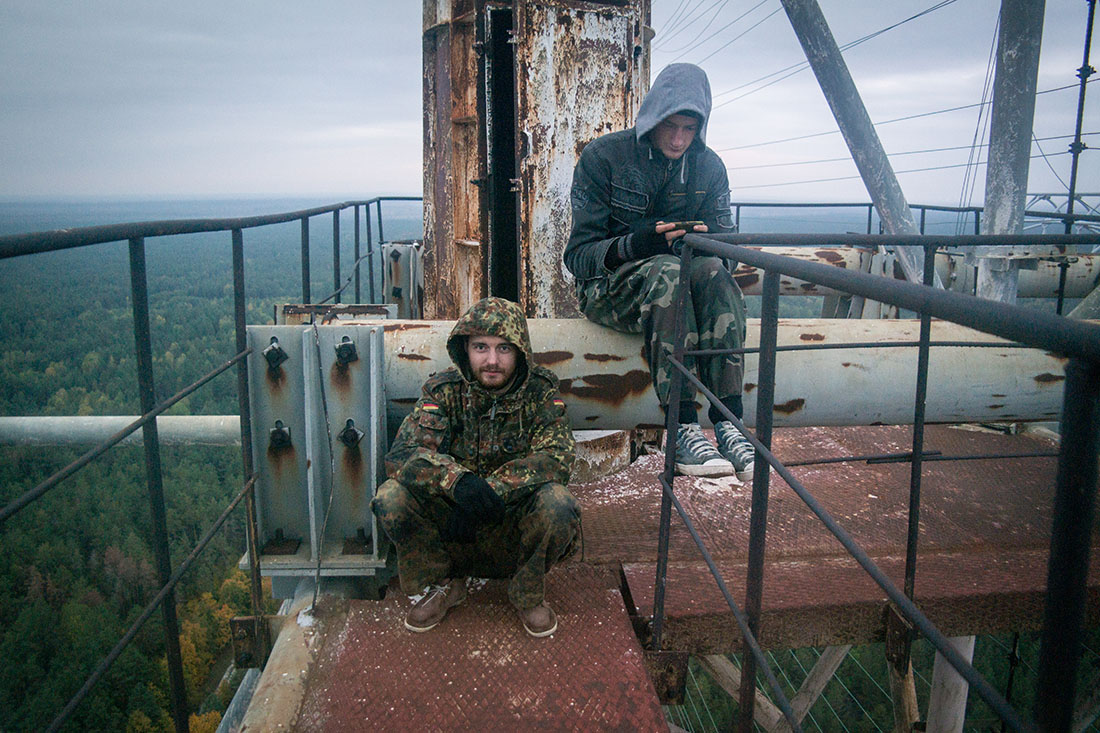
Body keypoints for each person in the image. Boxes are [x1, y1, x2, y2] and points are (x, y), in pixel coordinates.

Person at [564, 62, 754, 481]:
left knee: (715, 276)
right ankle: (683, 426)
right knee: (669, 273)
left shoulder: (710, 168)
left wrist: (705, 245)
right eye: (670, 125)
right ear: (653, 116)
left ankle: (729, 423)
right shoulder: (603, 157)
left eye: (689, 129)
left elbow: (729, 256)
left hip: (681, 287)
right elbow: (577, 257)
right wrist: (636, 245)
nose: (677, 138)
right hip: (608, 290)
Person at [371, 297, 579, 637]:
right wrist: (457, 483)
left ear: (520, 351)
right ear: (464, 349)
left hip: (510, 522)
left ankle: (526, 593)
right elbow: (404, 454)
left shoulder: (540, 393)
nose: (492, 360)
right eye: (481, 347)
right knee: (391, 497)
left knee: (559, 504)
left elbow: (556, 456)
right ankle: (441, 584)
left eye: (504, 349)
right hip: (452, 527)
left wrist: (489, 491)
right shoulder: (443, 391)